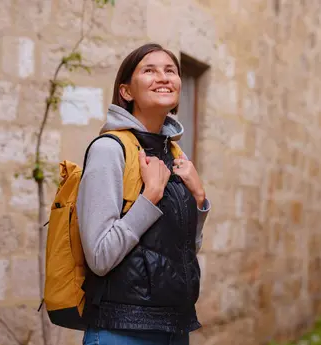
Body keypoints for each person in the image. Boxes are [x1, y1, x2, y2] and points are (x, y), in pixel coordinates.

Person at [76, 43, 210, 345]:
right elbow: (99, 256)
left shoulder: (174, 154)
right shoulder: (110, 150)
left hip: (174, 327)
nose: (163, 77)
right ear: (126, 91)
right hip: (122, 331)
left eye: (170, 71)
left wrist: (199, 199)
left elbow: (182, 251)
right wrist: (149, 197)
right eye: (149, 70)